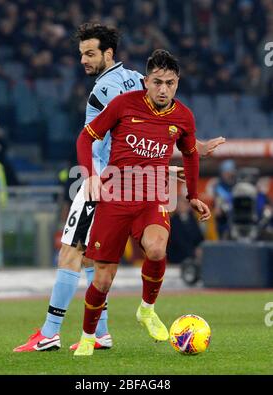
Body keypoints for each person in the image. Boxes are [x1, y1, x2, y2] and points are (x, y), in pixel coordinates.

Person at [13, 23, 223, 353]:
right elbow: (147, 129)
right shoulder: (134, 78)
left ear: (108, 53)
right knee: (98, 261)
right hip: (124, 181)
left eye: (90, 53)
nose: (83, 60)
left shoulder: (107, 89)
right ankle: (101, 333)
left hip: (102, 181)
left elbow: (129, 130)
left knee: (72, 252)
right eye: (82, 53)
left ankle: (51, 332)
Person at [73, 49, 211, 356]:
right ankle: (87, 336)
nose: (164, 89)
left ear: (177, 84)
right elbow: (86, 137)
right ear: (145, 82)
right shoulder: (123, 104)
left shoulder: (183, 117)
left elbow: (190, 154)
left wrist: (193, 196)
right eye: (158, 82)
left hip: (151, 198)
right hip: (114, 198)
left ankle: (146, 309)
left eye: (170, 83)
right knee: (103, 278)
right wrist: (89, 176)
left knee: (158, 248)